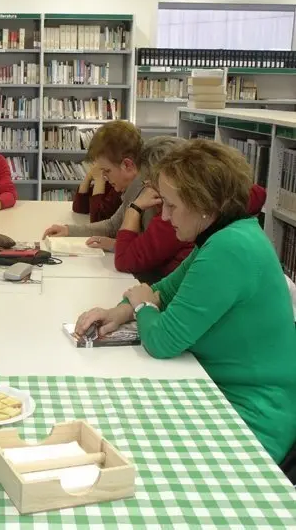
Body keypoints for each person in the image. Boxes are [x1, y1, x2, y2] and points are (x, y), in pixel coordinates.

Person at [75, 139, 296, 464]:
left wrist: (143, 306)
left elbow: (163, 340)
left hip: (251, 421)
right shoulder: (225, 234)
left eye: (172, 206)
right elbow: (168, 287)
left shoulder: (228, 249)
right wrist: (122, 310)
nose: (163, 216)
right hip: (224, 394)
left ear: (203, 205)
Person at [113, 136, 267, 283]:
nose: (148, 188)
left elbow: (124, 261)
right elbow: (169, 288)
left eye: (149, 183)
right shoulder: (220, 209)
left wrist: (134, 208)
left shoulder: (185, 217)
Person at [43, 120, 152, 249]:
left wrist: (116, 245)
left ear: (127, 165)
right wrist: (69, 231)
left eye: (107, 171)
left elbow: (150, 250)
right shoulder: (133, 187)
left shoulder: (150, 193)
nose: (104, 177)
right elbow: (112, 225)